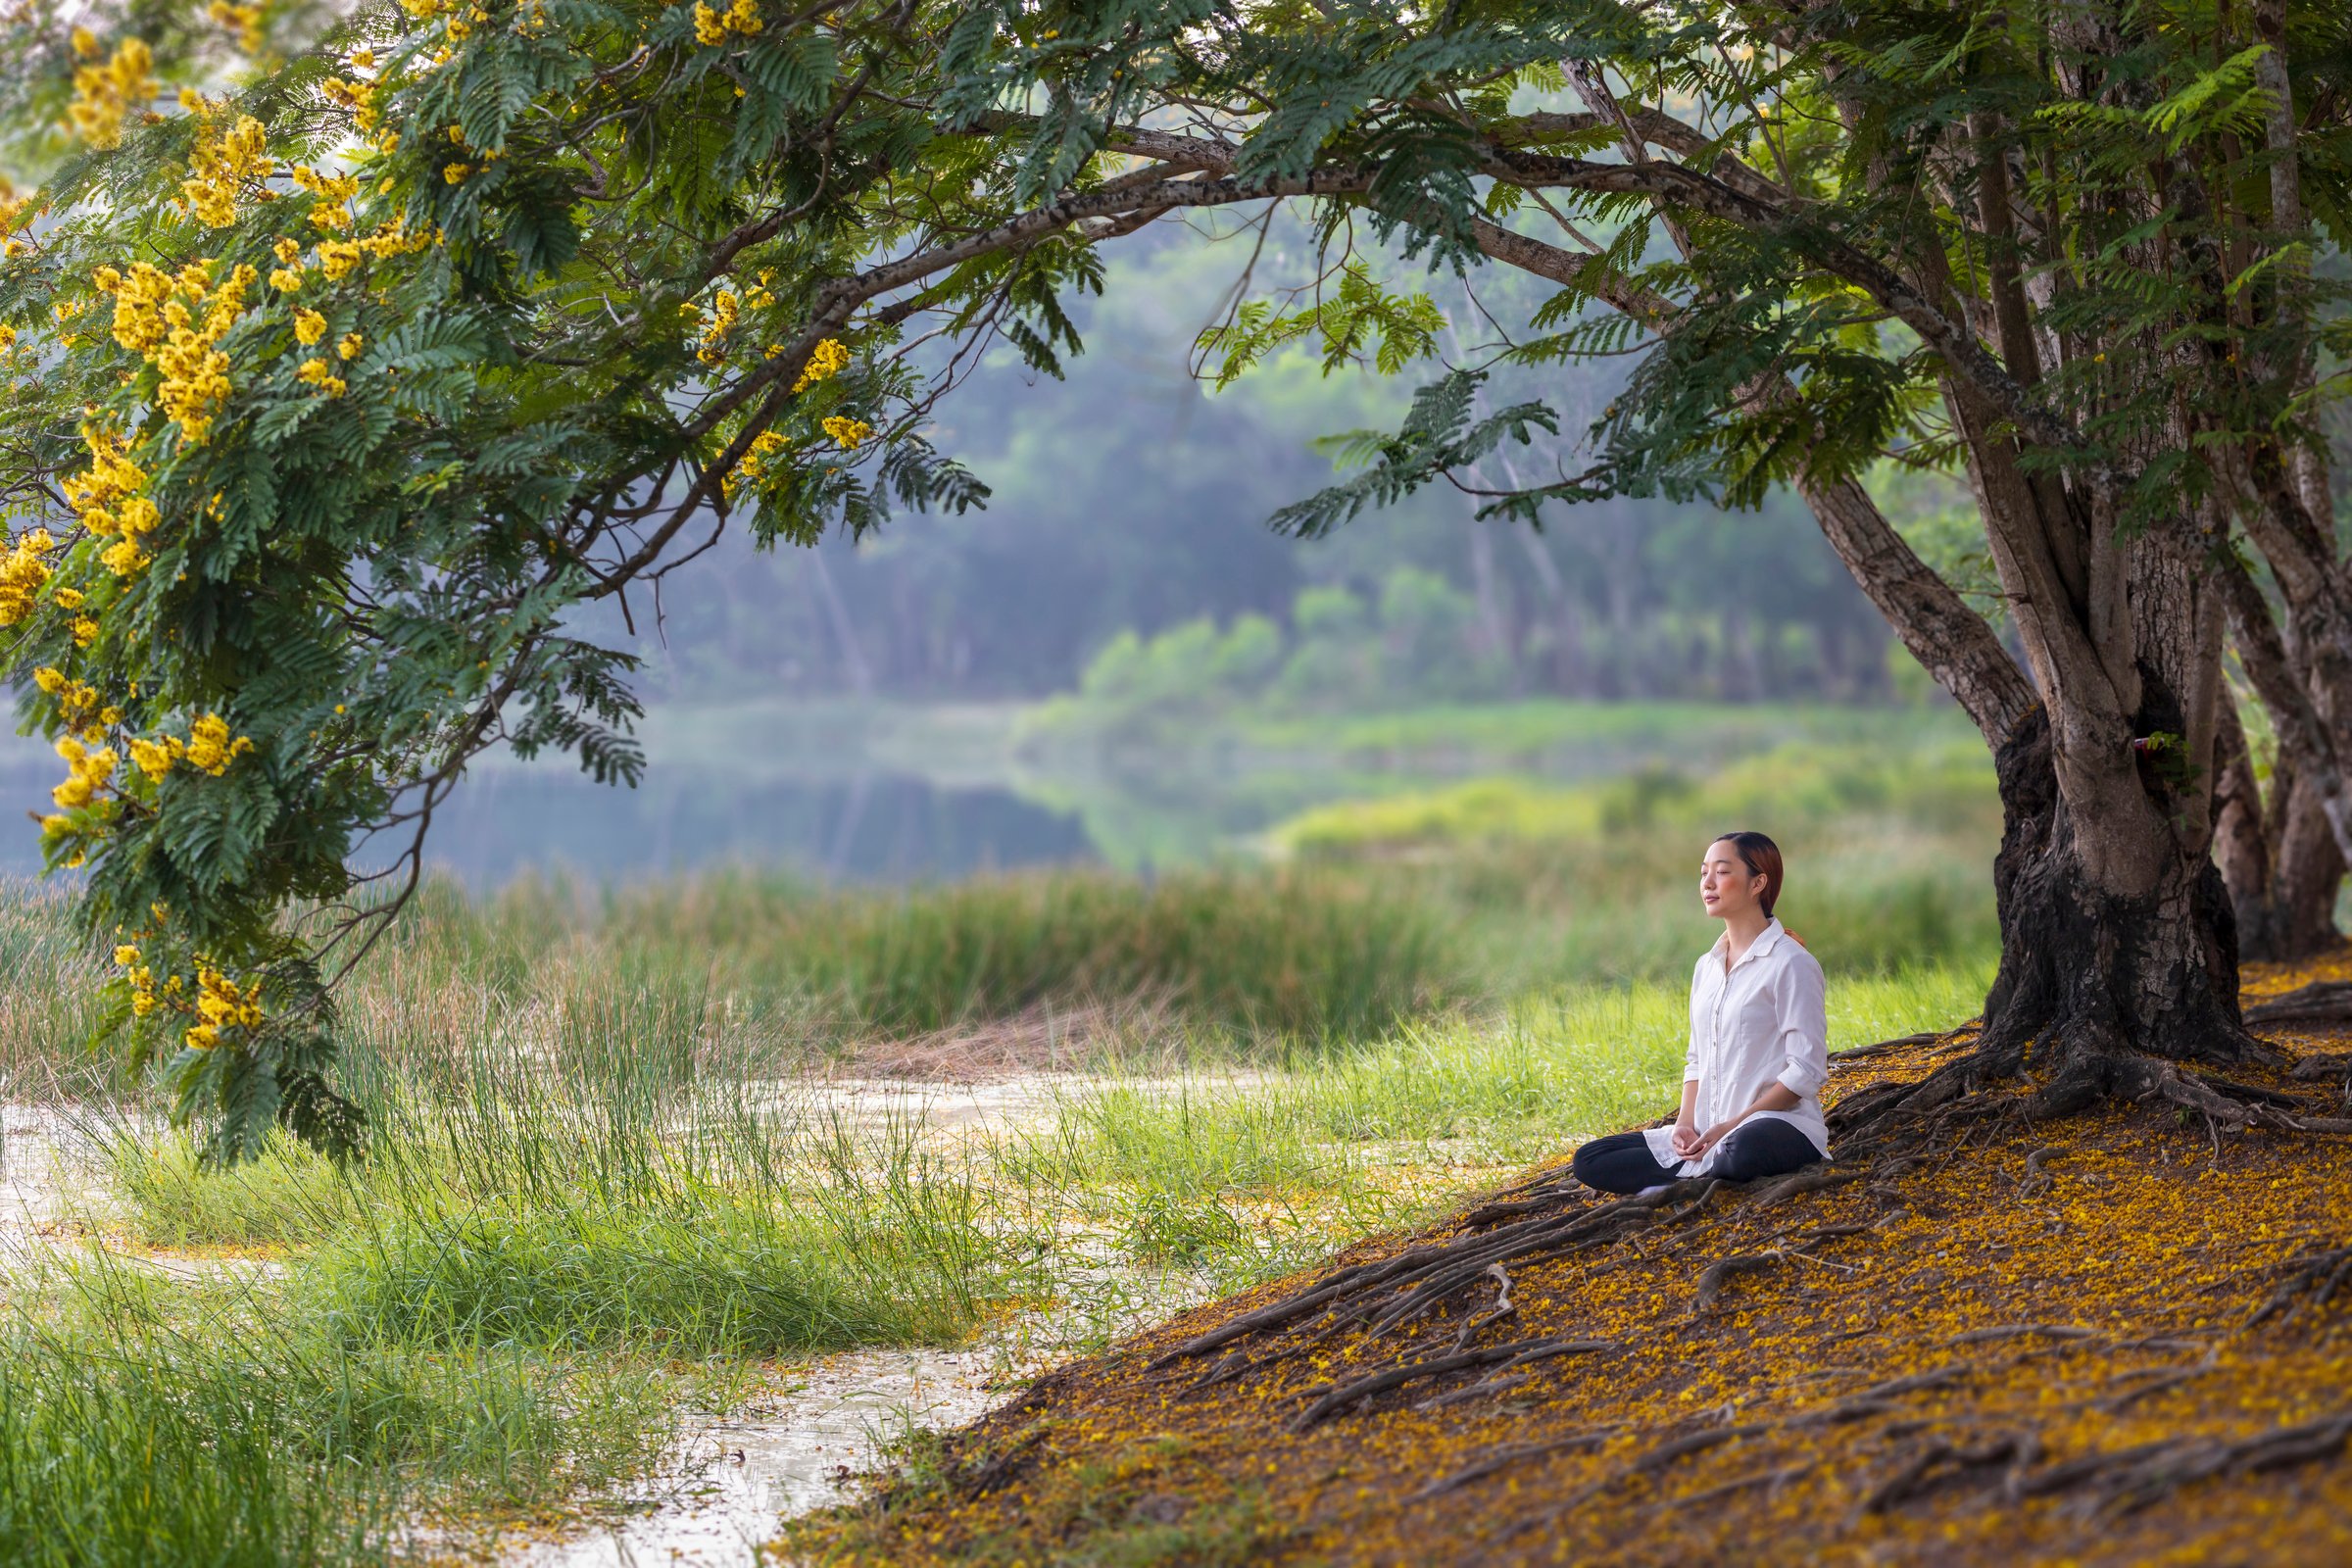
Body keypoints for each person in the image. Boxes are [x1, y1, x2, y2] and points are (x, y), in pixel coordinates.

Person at [1570, 831, 1830, 1194]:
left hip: (1774, 1126)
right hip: (1711, 1132)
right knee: (1589, 1159)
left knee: (1742, 1150)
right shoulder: (1705, 968)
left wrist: (1733, 1124)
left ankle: (1673, 1181)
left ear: (1758, 883)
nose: (1707, 883)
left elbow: (1806, 1070)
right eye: (1704, 872)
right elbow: (1696, 1058)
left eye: (1721, 872)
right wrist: (1684, 1122)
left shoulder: (1791, 963)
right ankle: (1687, 1175)